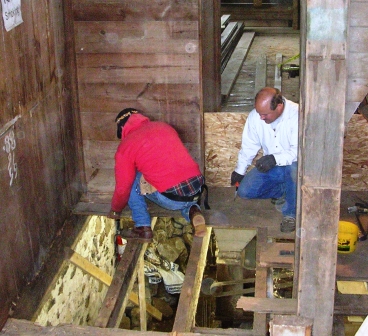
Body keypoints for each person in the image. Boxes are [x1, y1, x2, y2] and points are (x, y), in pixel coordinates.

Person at [107, 108, 207, 242]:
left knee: (130, 181)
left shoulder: (126, 145)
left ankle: (142, 227)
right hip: (197, 188)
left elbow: (122, 187)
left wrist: (115, 209)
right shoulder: (163, 126)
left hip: (173, 198)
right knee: (184, 198)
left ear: (122, 128)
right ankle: (194, 211)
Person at [231, 87, 299, 232]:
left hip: (294, 166)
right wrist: (239, 171)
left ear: (279, 107)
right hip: (273, 167)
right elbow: (249, 146)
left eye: (265, 114)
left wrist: (275, 158)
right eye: (259, 113)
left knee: (294, 169)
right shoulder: (256, 116)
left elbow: (299, 152)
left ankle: (290, 214)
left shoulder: (297, 115)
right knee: (245, 191)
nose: (261, 118)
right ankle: (284, 192)